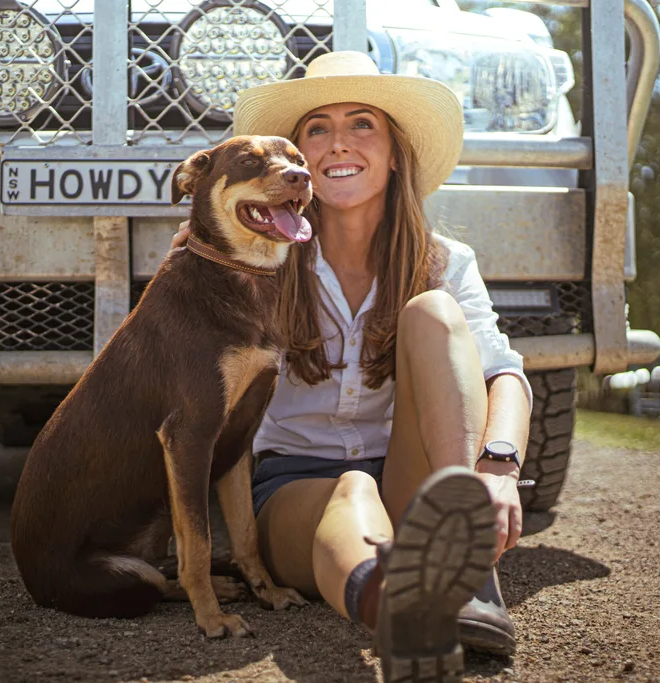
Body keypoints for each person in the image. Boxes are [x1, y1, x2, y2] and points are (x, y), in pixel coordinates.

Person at [171, 51, 532, 674]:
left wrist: (497, 468)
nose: (338, 142)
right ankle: (406, 615)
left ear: (395, 153)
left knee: (435, 314)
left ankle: (463, 554)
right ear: (293, 159)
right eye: (317, 129)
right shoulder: (246, 263)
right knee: (352, 487)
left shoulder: (445, 260)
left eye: (362, 123)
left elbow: (504, 375)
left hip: (413, 472)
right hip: (292, 490)